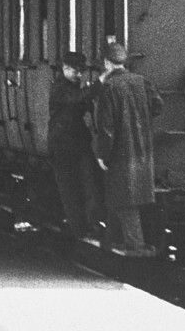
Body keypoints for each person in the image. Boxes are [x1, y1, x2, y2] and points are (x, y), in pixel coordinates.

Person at [92, 43, 164, 256]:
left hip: (121, 152)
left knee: (124, 199)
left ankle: (135, 246)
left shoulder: (109, 88)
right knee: (134, 195)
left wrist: (102, 155)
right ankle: (114, 240)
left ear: (106, 63)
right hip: (142, 148)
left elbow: (106, 128)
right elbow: (158, 105)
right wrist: (140, 118)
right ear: (124, 62)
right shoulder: (141, 81)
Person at [47, 51, 104, 239]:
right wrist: (99, 84)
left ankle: (89, 223)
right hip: (62, 145)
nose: (79, 75)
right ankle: (79, 229)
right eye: (75, 71)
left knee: (88, 183)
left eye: (81, 71)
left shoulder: (72, 85)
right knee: (70, 189)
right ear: (65, 68)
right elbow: (75, 99)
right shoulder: (59, 87)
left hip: (77, 142)